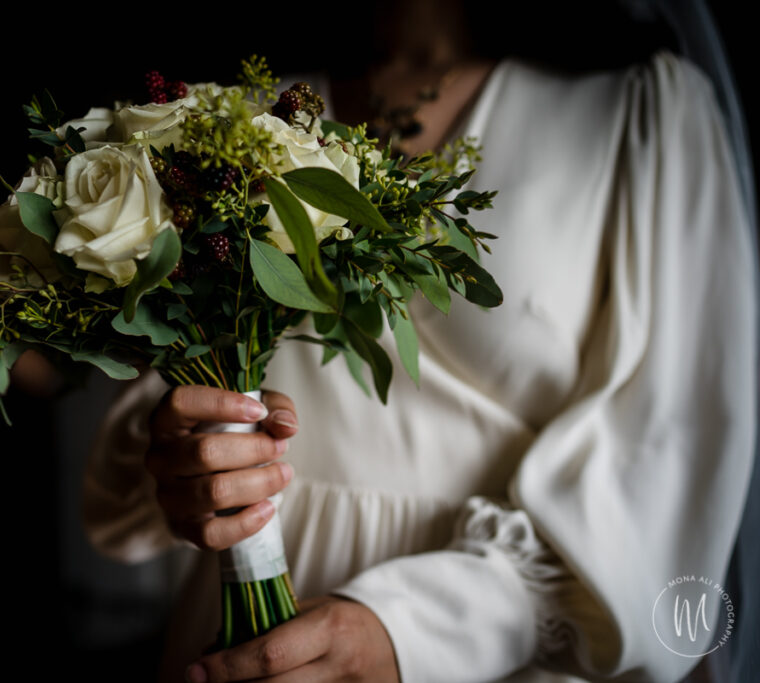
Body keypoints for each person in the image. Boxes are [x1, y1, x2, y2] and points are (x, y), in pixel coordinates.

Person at [83, 2, 758, 681]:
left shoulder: (636, 111)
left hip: (497, 660)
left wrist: (411, 635)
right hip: (238, 637)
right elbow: (156, 411)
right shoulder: (224, 114)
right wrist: (183, 462)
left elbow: (668, 454)